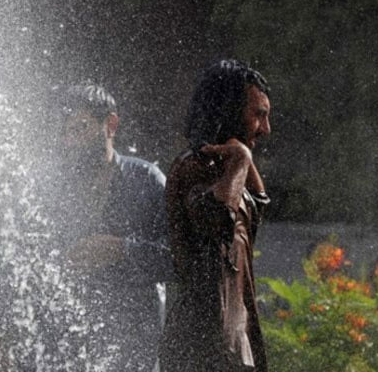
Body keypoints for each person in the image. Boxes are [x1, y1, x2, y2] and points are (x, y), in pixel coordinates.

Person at [49, 83, 172, 371]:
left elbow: (181, 257)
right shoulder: (53, 191)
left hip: (133, 352)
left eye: (80, 128)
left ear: (111, 125)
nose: (71, 142)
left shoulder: (146, 181)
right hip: (67, 349)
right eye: (65, 132)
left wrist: (122, 249)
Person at [159, 59, 272, 371]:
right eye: (258, 115)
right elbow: (219, 219)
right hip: (202, 345)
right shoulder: (194, 168)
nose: (265, 128)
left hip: (232, 338)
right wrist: (242, 160)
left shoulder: (228, 169)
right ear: (229, 110)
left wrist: (242, 161)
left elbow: (257, 209)